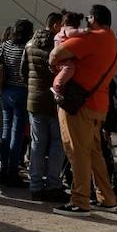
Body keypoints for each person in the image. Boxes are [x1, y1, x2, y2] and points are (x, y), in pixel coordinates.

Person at [47, 5, 117, 216]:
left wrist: (53, 63)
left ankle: (80, 201)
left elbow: (58, 52)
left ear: (94, 19)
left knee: (76, 151)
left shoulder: (94, 37)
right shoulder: (112, 41)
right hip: (98, 105)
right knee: (95, 153)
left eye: (88, 17)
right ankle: (106, 197)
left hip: (79, 105)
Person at [24, 12, 68, 201]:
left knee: (37, 144)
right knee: (57, 145)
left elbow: (23, 71)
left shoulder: (30, 44)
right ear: (57, 26)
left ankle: (35, 185)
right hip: (53, 101)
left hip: (34, 100)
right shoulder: (58, 47)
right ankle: (53, 184)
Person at [0, 19, 34, 186]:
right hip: (22, 92)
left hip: (6, 91)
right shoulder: (28, 47)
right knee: (17, 134)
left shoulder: (6, 45)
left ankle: (3, 169)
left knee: (5, 131)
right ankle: (12, 170)